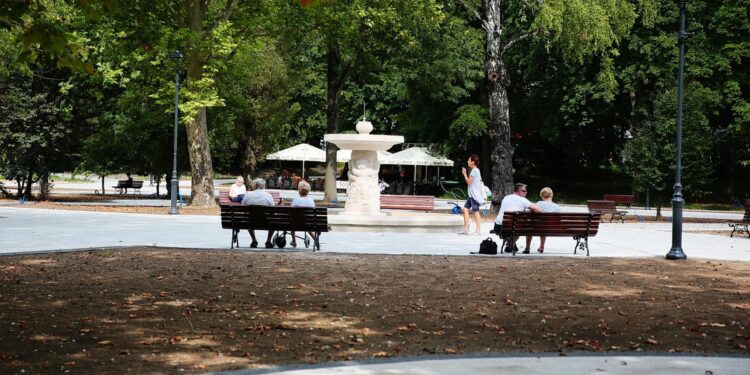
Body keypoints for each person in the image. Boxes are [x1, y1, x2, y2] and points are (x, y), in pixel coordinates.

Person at [492, 183, 542, 253]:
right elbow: (539, 210)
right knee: (519, 227)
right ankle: (510, 244)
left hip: (498, 227)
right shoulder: (523, 200)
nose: (526, 192)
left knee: (514, 225)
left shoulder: (506, 197)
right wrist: (530, 210)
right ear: (518, 191)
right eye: (524, 191)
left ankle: (511, 244)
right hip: (512, 228)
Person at [523, 187, 561, 253]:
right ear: (551, 195)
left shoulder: (539, 203)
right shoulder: (557, 206)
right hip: (550, 228)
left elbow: (530, 211)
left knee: (530, 227)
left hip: (537, 227)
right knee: (544, 226)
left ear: (542, 195)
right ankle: (541, 247)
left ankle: (527, 247)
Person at [241, 178, 276, 248]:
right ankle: (268, 241)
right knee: (274, 220)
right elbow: (273, 211)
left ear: (256, 185)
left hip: (251, 221)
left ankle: (254, 240)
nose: (252, 186)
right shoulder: (268, 195)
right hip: (266, 222)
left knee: (249, 218)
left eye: (253, 185)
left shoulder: (248, 195)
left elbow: (243, 208)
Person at [459, 154, 485, 235]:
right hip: (472, 195)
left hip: (474, 195)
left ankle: (478, 230)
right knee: (465, 209)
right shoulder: (475, 170)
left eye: (469, 160)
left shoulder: (474, 170)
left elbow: (469, 182)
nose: (467, 161)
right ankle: (466, 229)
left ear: (473, 162)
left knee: (476, 211)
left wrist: (464, 174)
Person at [290, 181, 316, 248]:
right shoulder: (311, 200)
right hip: (308, 223)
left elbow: (291, 211)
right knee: (307, 226)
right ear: (308, 191)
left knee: (293, 223)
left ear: (299, 190)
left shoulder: (295, 199)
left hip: (295, 223)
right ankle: (316, 239)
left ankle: (294, 241)